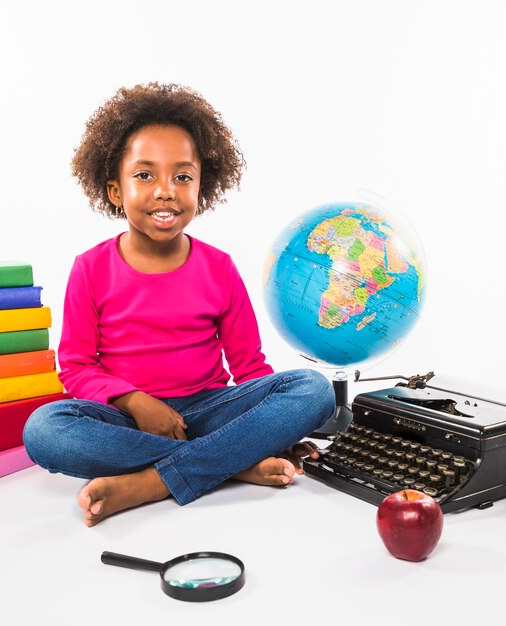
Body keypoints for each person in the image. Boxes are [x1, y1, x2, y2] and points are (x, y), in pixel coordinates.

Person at [23, 83, 336, 527]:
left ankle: (151, 481)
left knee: (313, 389)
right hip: (125, 420)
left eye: (183, 176)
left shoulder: (219, 267)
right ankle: (233, 463)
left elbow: (249, 369)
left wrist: (274, 423)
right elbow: (75, 367)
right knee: (44, 429)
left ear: (202, 188)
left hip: (211, 411)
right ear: (115, 190)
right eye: (145, 175)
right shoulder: (90, 268)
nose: (166, 191)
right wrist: (135, 401)